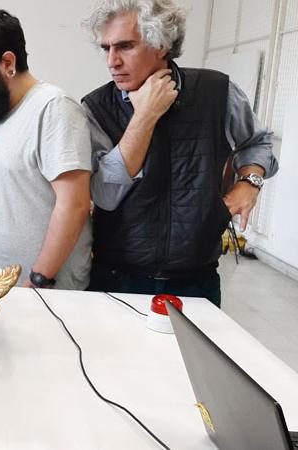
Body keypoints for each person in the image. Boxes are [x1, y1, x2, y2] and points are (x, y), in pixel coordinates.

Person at [82, 0, 279, 306]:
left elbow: (257, 141)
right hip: (116, 277)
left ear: (160, 44)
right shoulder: (96, 108)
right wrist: (144, 115)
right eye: (106, 48)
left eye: (125, 46)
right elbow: (105, 195)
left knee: (189, 356)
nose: (112, 61)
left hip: (197, 280)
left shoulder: (217, 91)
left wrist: (248, 183)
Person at [0, 10, 93, 289]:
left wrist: (38, 279)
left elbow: (74, 204)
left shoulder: (54, 108)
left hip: (44, 291)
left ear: (7, 63)